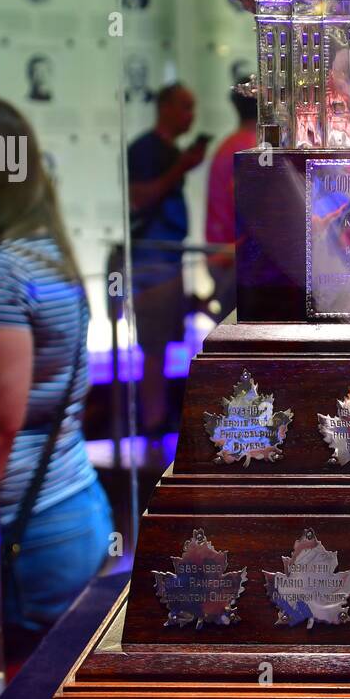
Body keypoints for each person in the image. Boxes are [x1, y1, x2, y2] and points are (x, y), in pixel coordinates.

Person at [0, 97, 114, 648]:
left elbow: (6, 422)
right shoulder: (47, 252)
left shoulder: (5, 267)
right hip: (73, 505)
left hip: (31, 529)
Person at [128, 83, 209, 435]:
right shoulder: (145, 150)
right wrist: (181, 167)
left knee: (163, 345)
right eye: (185, 107)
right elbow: (140, 198)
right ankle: (153, 420)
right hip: (153, 261)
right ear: (165, 107)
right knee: (154, 347)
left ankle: (159, 418)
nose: (190, 117)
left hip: (167, 259)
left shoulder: (164, 150)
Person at [205, 79, 257, 315]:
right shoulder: (252, 146)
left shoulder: (229, 144)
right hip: (235, 258)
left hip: (224, 255)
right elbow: (249, 207)